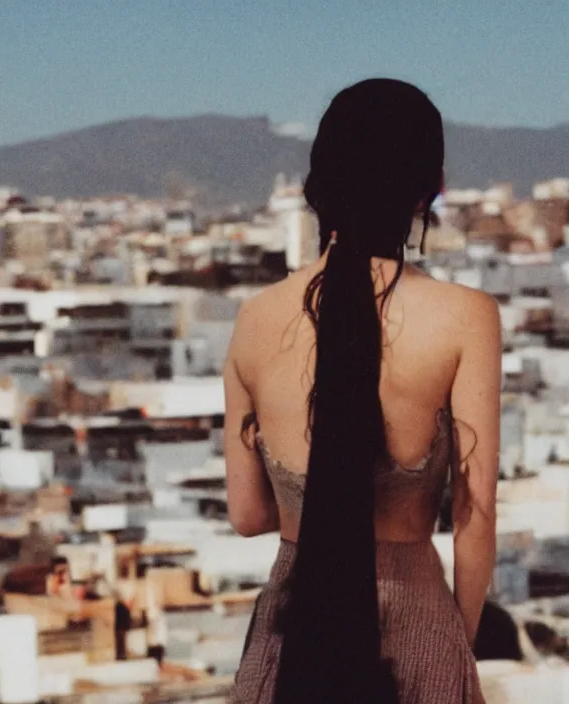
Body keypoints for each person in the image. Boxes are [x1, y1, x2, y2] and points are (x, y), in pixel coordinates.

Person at [223, 79, 499, 703]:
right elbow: (474, 517)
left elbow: (248, 516)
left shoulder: (255, 318)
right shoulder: (465, 316)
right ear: (431, 187)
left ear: (318, 187)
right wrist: (460, 643)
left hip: (290, 640)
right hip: (417, 627)